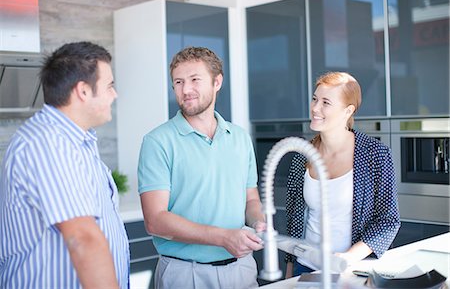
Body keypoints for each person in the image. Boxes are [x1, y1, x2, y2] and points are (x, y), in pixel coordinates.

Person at [0, 42, 129, 288]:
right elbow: (82, 238)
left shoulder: (75, 141)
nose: (115, 94)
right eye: (109, 86)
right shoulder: (47, 143)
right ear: (82, 91)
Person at [138, 46, 266, 289]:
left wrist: (258, 220)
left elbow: (250, 199)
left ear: (217, 82)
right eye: (178, 82)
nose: (186, 90)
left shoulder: (239, 137)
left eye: (195, 80)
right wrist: (223, 237)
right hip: (186, 274)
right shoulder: (157, 142)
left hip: (242, 269)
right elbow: (155, 220)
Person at [285, 72, 401, 278]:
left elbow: (388, 220)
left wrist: (348, 257)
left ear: (348, 110)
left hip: (353, 269)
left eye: (326, 102)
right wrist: (290, 270)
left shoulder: (375, 154)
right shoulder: (302, 155)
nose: (315, 108)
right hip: (306, 266)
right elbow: (294, 218)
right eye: (314, 99)